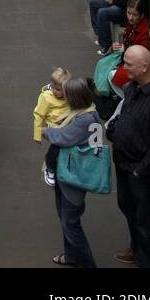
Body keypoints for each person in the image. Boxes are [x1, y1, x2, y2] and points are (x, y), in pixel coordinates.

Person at [106, 45, 150, 269]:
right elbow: (125, 114)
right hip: (125, 164)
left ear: (144, 66)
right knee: (127, 206)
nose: (123, 67)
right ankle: (136, 249)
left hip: (142, 171)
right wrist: (115, 130)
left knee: (145, 218)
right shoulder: (132, 88)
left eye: (128, 64)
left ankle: (146, 262)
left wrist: (139, 172)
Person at [42, 77, 102, 268]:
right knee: (65, 218)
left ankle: (87, 264)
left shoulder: (84, 119)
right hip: (68, 175)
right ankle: (71, 255)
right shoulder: (88, 112)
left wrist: (46, 131)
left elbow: (63, 137)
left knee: (70, 223)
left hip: (73, 179)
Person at [32, 66, 72, 186]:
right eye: (54, 88)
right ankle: (49, 168)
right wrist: (37, 134)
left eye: (59, 89)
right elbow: (38, 115)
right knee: (56, 147)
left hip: (68, 123)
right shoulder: (46, 97)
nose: (55, 91)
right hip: (53, 126)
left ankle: (65, 164)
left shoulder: (69, 94)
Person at [109, 0, 150, 92]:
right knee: (102, 64)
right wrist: (120, 47)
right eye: (128, 13)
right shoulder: (132, 24)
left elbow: (140, 57)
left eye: (135, 14)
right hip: (127, 59)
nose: (130, 17)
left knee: (112, 74)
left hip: (136, 66)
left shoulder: (145, 32)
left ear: (142, 15)